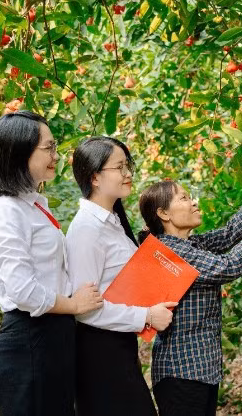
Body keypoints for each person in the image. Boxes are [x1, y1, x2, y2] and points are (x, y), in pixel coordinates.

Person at [137, 160, 242, 416]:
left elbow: (228, 235)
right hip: (181, 374)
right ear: (164, 214)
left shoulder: (189, 244)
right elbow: (227, 267)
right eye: (184, 198)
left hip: (200, 370)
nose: (194, 202)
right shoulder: (170, 252)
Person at [0, 111, 103, 416]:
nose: (56, 156)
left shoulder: (32, 206)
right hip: (31, 340)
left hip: (54, 336)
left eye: (55, 146)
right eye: (48, 148)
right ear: (20, 151)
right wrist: (75, 305)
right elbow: (23, 291)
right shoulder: (5, 212)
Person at [66, 137, 178, 416]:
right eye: (119, 167)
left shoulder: (113, 222)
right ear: (95, 177)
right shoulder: (86, 230)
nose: (128, 174)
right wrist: (146, 316)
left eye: (128, 166)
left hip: (119, 347)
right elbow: (85, 311)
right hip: (99, 353)